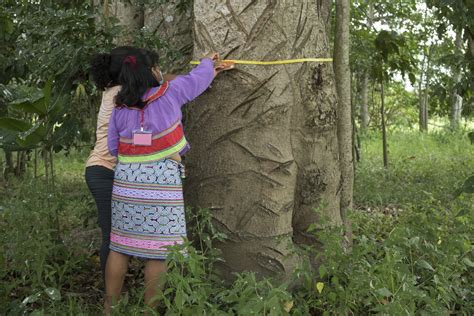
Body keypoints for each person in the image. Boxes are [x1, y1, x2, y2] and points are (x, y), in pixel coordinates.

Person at [104, 49, 233, 313]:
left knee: (119, 246)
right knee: (158, 252)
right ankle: (150, 310)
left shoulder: (118, 107)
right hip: (162, 182)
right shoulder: (170, 92)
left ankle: (110, 307)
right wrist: (208, 62)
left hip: (126, 182)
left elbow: (113, 147)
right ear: (151, 71)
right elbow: (197, 79)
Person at [85, 46, 176, 285]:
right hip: (105, 170)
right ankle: (110, 302)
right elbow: (167, 86)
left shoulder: (119, 89)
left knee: (120, 238)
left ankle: (112, 299)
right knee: (114, 239)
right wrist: (203, 73)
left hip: (119, 172)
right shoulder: (124, 92)